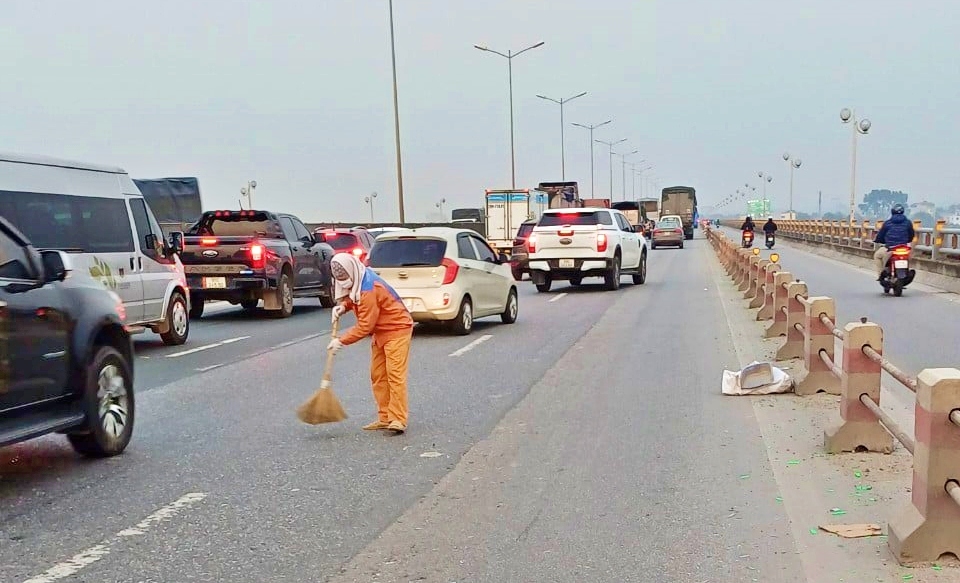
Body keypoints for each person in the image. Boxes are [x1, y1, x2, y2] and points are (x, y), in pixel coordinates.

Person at [327, 253, 414, 433]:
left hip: (397, 329)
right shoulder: (360, 277)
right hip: (381, 332)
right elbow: (353, 294)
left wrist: (340, 341)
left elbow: (365, 326)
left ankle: (398, 419)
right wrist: (343, 306)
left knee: (395, 375)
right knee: (378, 375)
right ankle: (385, 417)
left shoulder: (369, 289)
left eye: (346, 280)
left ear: (352, 271)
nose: (345, 285)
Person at [873, 203, 915, 280]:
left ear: (892, 212)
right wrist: (908, 240)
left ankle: (880, 275)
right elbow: (911, 235)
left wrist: (878, 240)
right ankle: (906, 271)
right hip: (904, 248)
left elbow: (881, 235)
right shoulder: (908, 223)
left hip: (891, 248)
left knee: (877, 255)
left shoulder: (887, 223)